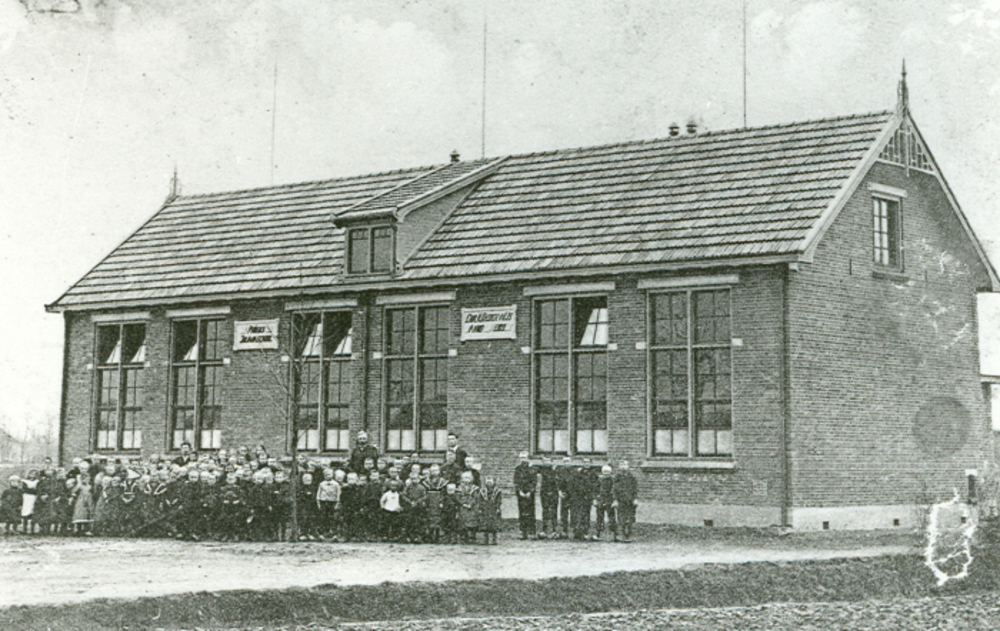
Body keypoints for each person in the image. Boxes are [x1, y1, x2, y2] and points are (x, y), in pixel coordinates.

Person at [513, 451, 537, 540]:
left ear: (528, 458)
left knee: (531, 512)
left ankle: (532, 531)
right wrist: (519, 491)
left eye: (525, 457)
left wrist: (530, 491)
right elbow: (516, 481)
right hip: (521, 493)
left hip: (529, 493)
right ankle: (523, 532)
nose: (523, 460)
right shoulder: (518, 469)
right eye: (521, 458)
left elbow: (534, 481)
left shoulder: (532, 469)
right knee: (522, 512)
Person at [613, 460, 638, 542]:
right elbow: (614, 489)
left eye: (625, 464)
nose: (623, 466)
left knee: (630, 517)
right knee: (621, 517)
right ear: (619, 466)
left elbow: (635, 489)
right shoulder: (617, 477)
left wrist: (635, 499)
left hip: (630, 500)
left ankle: (629, 534)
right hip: (621, 500)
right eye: (622, 464)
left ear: (628, 466)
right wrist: (615, 499)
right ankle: (621, 534)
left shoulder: (632, 478)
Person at [316, 468, 341, 541]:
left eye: (329, 474)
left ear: (332, 475)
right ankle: (322, 534)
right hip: (324, 501)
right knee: (323, 517)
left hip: (332, 502)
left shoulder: (336, 484)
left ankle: (333, 534)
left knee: (333, 518)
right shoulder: (321, 484)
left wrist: (337, 502)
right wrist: (318, 502)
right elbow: (318, 493)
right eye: (326, 475)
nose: (327, 476)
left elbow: (338, 494)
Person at [594, 464, 617, 541]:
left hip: (609, 500)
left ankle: (614, 534)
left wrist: (613, 500)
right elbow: (596, 490)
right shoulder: (599, 480)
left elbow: (614, 490)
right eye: (605, 472)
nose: (606, 473)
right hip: (601, 500)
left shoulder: (612, 480)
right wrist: (596, 499)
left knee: (611, 517)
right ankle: (598, 533)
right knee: (599, 517)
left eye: (608, 472)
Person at [537, 456, 558, 539]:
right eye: (545, 461)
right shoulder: (540, 471)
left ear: (551, 462)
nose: (546, 462)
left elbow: (556, 482)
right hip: (544, 493)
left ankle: (554, 531)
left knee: (554, 511)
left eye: (548, 460)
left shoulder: (554, 471)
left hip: (554, 493)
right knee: (545, 511)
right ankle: (544, 530)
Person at [477, 476, 502, 545]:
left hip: (493, 508)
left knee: (494, 524)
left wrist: (497, 508)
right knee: (485, 525)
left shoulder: (497, 491)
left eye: (490, 481)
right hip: (485, 509)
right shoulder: (482, 491)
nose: (489, 483)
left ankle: (494, 539)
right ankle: (485, 539)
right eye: (487, 482)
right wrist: (480, 508)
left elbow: (499, 500)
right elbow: (480, 500)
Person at [457, 471, 479, 544]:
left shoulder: (475, 488)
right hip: (462, 507)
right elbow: (457, 497)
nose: (466, 479)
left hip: (471, 507)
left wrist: (471, 504)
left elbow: (475, 497)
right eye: (465, 477)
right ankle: (463, 536)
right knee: (462, 521)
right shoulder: (459, 488)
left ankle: (472, 536)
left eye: (468, 478)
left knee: (472, 521)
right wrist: (462, 503)